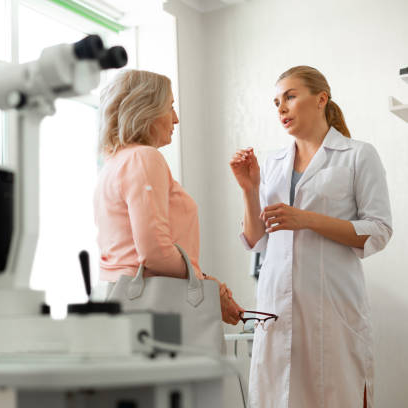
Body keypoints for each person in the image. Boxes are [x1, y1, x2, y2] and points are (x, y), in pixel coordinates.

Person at [230, 66, 392, 408]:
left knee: (337, 395)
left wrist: (306, 219)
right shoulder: (272, 163)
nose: (281, 108)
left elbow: (378, 230)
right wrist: (250, 189)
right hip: (277, 307)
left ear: (321, 99)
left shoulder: (358, 155)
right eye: (276, 102)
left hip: (332, 308)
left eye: (290, 96)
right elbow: (258, 240)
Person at [94, 69, 243, 326]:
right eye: (170, 107)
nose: (175, 119)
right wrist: (204, 282)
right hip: (151, 307)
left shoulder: (114, 162)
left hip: (119, 298)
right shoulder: (144, 158)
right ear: (145, 110)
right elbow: (155, 251)